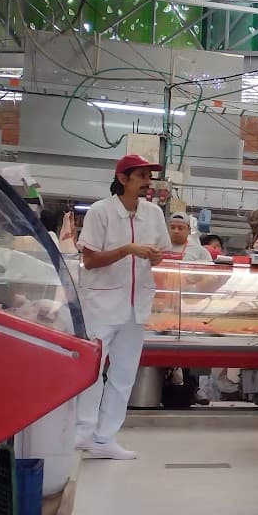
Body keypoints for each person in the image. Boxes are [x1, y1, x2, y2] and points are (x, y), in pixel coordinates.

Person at [73, 154, 171, 460]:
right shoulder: (100, 212)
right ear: (123, 179)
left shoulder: (153, 214)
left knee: (124, 375)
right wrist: (128, 249)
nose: (147, 182)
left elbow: (161, 255)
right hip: (101, 304)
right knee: (92, 371)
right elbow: (89, 260)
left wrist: (154, 257)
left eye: (148, 176)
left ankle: (105, 438)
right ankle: (82, 433)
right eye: (141, 175)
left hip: (136, 306)